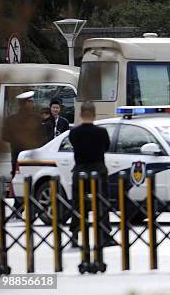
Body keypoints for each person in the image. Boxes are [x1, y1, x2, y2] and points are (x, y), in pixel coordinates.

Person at [68, 102, 113, 247]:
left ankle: (75, 235)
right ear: (94, 114)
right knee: (102, 202)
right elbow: (106, 147)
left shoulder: (74, 132)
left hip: (80, 169)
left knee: (78, 203)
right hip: (98, 168)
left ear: (81, 115)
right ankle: (104, 235)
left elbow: (73, 145)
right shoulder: (101, 132)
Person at [2, 91, 47, 215]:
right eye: (30, 101)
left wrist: (16, 141)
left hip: (17, 155)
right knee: (32, 180)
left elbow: (5, 137)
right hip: (32, 156)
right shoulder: (37, 119)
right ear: (24, 103)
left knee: (18, 180)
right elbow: (43, 138)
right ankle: (29, 209)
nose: (32, 103)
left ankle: (18, 208)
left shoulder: (11, 120)